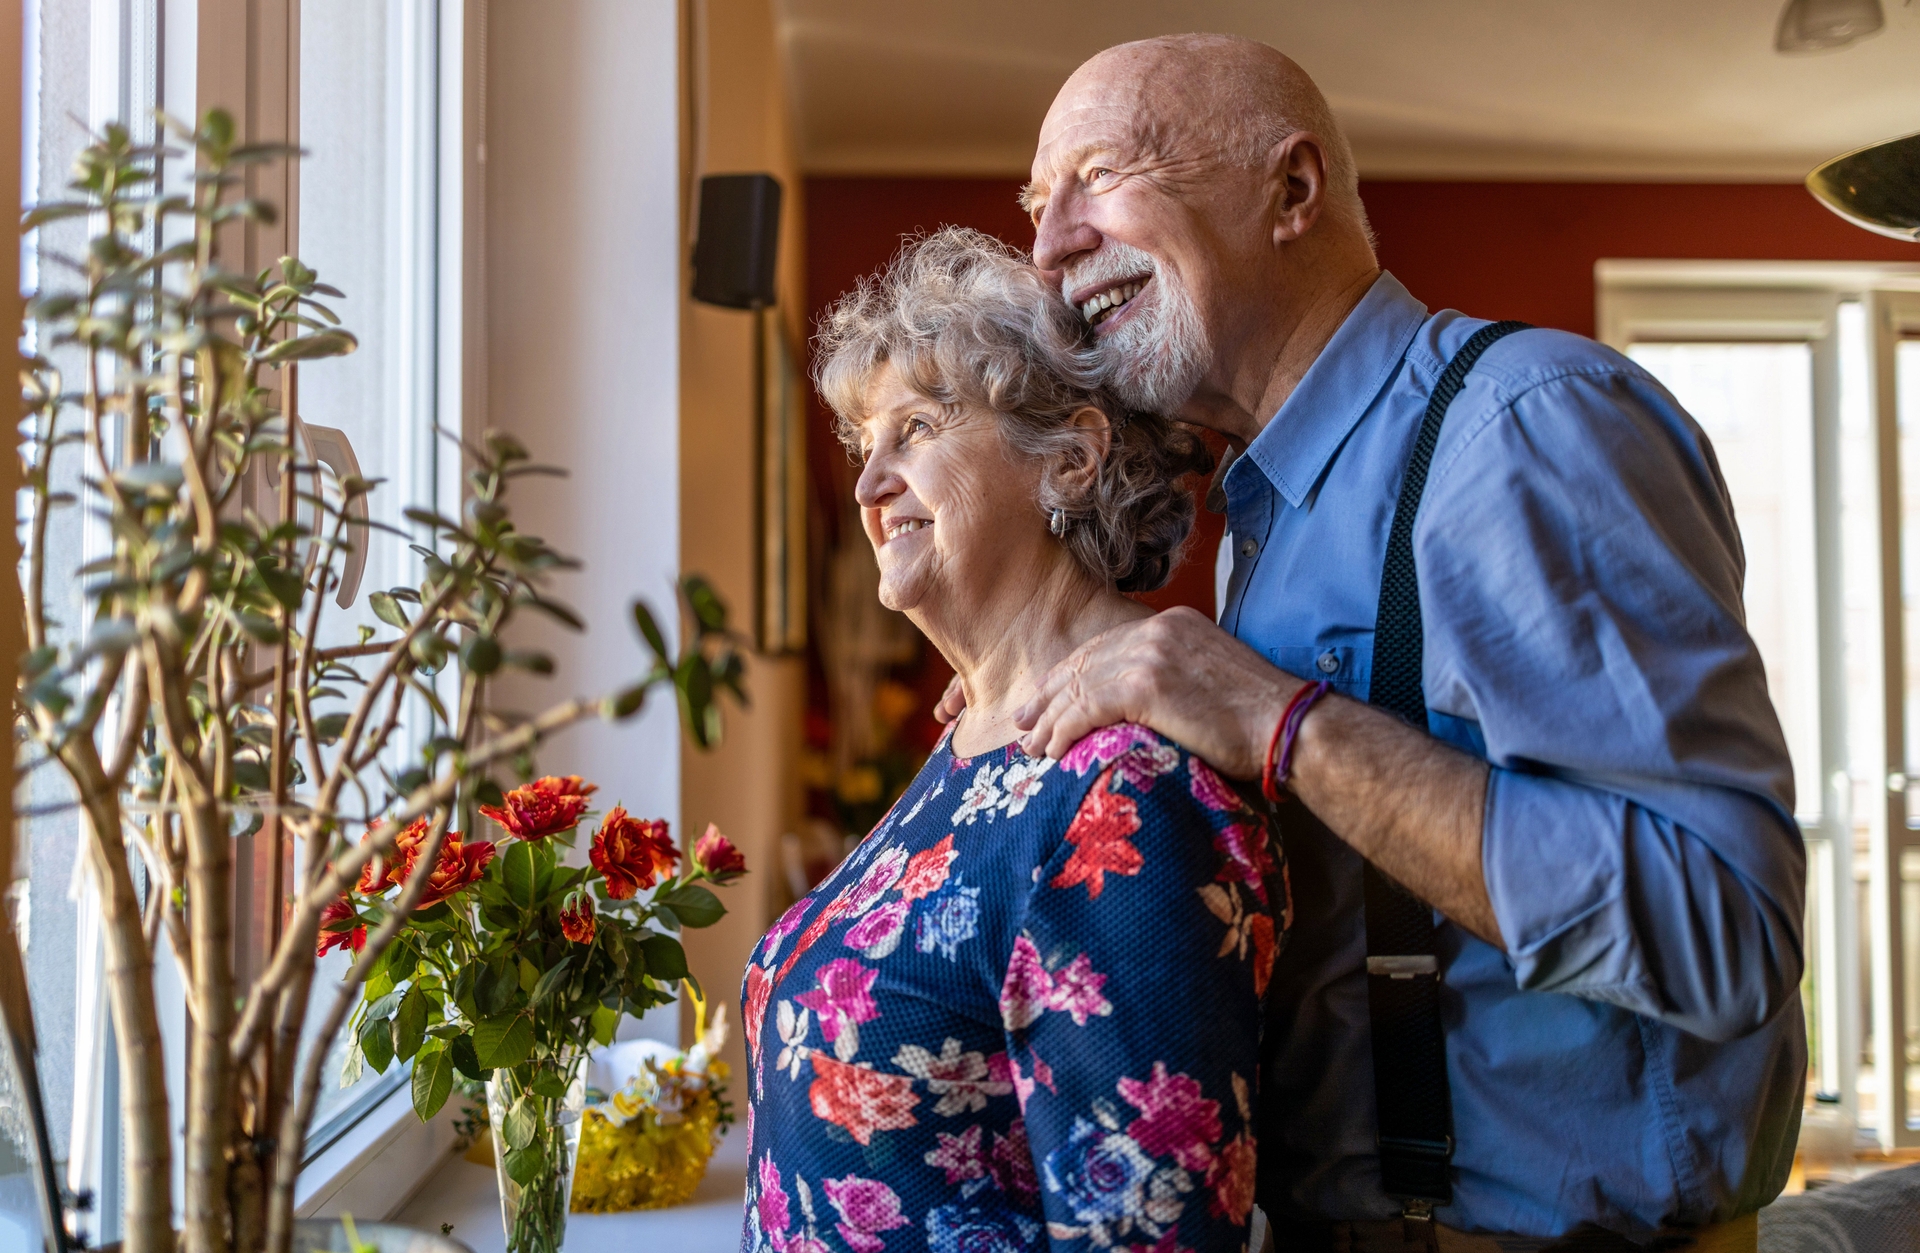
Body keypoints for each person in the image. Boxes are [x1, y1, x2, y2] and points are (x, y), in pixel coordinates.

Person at [958, 32, 1805, 1253]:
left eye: (1101, 173)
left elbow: (1718, 927)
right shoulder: (1263, 513)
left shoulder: (1521, 427)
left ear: (1291, 192)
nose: (1050, 246)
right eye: (1041, 206)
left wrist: (1278, 719)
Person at [738, 229, 1288, 1253]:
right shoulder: (980, 729)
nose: (869, 486)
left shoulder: (1131, 784)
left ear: (1069, 459)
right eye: (866, 445)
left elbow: (1147, 1232)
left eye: (918, 427)